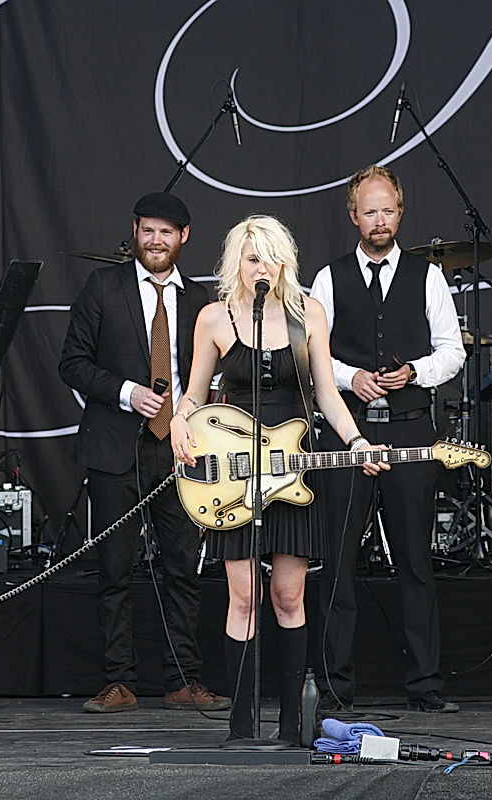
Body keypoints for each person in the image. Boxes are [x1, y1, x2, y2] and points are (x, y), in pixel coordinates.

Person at [170, 214, 385, 743]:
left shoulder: (307, 314)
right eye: (250, 257)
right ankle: (241, 725)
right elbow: (196, 391)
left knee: (289, 596)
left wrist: (356, 441)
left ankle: (291, 723)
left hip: (291, 472)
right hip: (232, 474)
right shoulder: (214, 319)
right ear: (235, 263)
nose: (259, 267)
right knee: (242, 597)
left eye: (268, 257)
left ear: (283, 262)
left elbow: (327, 393)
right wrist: (179, 416)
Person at [59, 192, 228, 715]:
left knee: (184, 569)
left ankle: (183, 680)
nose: (156, 241)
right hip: (116, 448)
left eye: (167, 232)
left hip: (182, 452)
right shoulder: (103, 287)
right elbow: (72, 363)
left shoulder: (203, 300)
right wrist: (126, 391)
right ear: (134, 230)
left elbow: (218, 370)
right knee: (115, 570)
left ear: (185, 237)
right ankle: (118, 681)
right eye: (148, 231)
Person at [310, 165, 465, 713]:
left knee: (415, 564)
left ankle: (426, 685)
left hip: (409, 434)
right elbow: (312, 352)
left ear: (400, 213)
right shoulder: (327, 278)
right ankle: (334, 687)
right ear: (354, 216)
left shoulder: (426, 276)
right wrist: (351, 377)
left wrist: (414, 373)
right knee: (338, 564)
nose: (380, 220)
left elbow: (453, 350)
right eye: (369, 211)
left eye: (388, 210)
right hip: (346, 437)